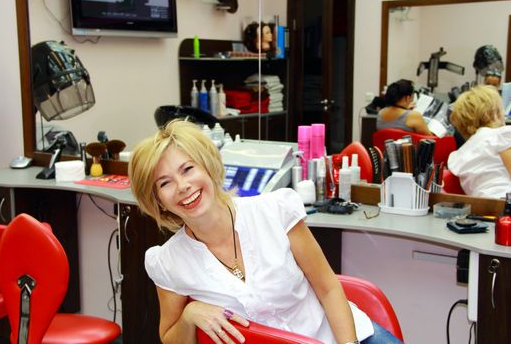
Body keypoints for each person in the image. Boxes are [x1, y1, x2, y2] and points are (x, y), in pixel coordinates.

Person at [128, 119, 402, 344]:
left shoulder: (273, 212)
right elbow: (169, 337)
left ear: (209, 166)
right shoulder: (169, 261)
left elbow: (328, 288)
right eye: (165, 183)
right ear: (157, 201)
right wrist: (188, 315)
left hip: (341, 336)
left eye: (188, 169)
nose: (183, 186)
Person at [448, 85, 511, 198]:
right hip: (506, 202)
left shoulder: (457, 156)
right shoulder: (501, 136)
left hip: (481, 209)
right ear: (494, 113)